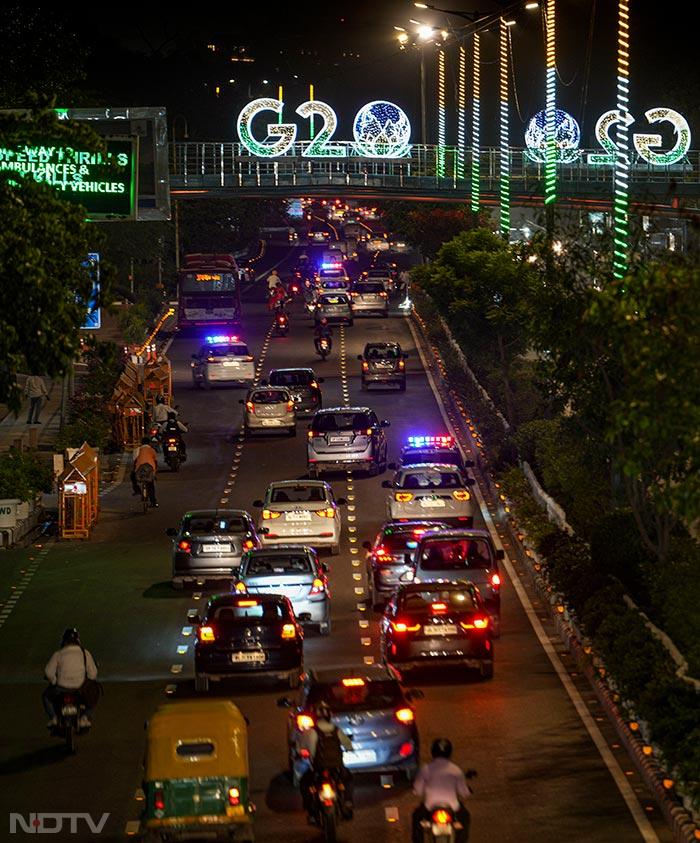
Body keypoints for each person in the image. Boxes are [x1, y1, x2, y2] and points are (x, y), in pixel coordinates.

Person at [298, 702, 354, 821]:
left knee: (304, 783)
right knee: (348, 778)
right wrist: (349, 748)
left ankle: (310, 811)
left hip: (318, 768)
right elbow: (348, 745)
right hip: (337, 767)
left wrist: (301, 752)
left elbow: (300, 748)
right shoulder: (336, 730)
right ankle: (348, 802)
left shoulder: (310, 732)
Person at [412, 738, 472, 843]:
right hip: (452, 807)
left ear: (433, 752)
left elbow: (417, 791)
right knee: (465, 817)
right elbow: (464, 792)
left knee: (416, 817)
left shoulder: (426, 769)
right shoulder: (456, 770)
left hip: (429, 807)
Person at [43, 628, 99, 729]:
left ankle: (54, 718)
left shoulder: (58, 654)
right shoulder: (84, 653)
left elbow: (48, 672)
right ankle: (85, 717)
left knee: (46, 696)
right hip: (79, 688)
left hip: (61, 688)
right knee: (94, 694)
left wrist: (54, 681)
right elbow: (93, 674)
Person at [131, 436, 158, 506]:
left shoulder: (137, 450)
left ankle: (137, 490)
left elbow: (135, 460)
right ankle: (153, 502)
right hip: (150, 469)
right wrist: (155, 472)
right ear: (149, 443)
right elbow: (155, 461)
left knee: (132, 476)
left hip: (139, 469)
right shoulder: (152, 450)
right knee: (151, 485)